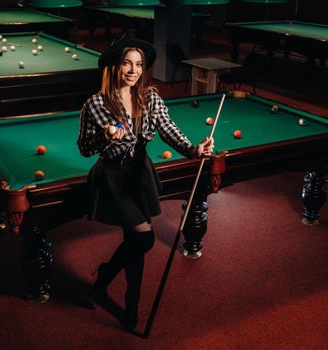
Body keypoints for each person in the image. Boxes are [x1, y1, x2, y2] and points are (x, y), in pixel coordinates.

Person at [77, 32, 214, 331]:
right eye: (126, 63)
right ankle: (117, 284)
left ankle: (123, 295)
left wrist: (193, 149)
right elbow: (84, 148)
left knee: (135, 241)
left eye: (138, 64)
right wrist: (103, 136)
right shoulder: (96, 104)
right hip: (113, 175)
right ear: (113, 66)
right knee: (143, 238)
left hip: (139, 174)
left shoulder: (150, 96)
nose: (133, 70)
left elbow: (168, 129)